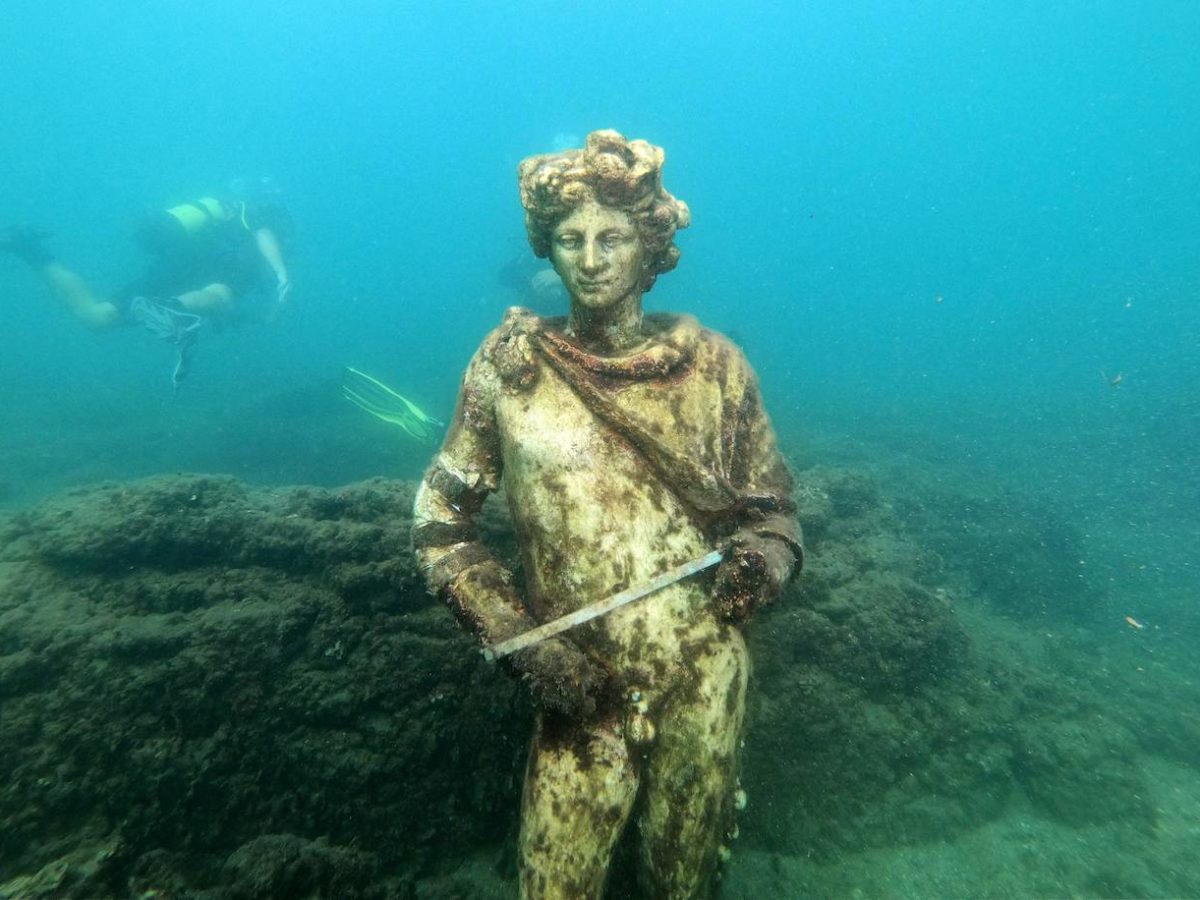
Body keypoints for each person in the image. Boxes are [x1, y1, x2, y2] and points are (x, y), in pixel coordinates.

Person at [412, 130, 803, 898]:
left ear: (649, 245)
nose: (591, 258)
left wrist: (763, 564)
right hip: (580, 685)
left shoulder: (716, 367)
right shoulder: (510, 369)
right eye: (569, 239)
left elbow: (775, 511)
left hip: (706, 672)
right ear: (546, 251)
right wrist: (523, 645)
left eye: (613, 237)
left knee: (681, 881)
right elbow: (439, 522)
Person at [1, 180, 293, 387]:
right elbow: (263, 237)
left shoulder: (221, 214)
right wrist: (281, 274)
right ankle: (169, 309)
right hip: (213, 271)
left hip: (177, 265)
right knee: (220, 294)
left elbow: (219, 306)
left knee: (96, 317)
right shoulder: (260, 218)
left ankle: (28, 250)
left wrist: (252, 317)